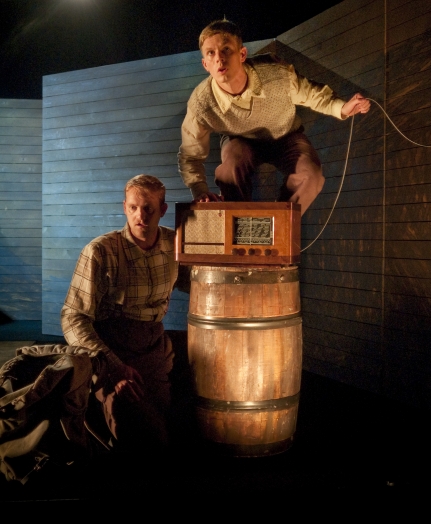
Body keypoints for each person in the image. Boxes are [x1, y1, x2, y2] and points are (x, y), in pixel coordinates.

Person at [178, 19, 371, 215]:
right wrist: (199, 190)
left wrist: (342, 108)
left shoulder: (275, 73)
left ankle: (279, 223)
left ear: (242, 54)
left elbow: (311, 93)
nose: (219, 58)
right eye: (211, 53)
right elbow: (190, 155)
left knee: (311, 175)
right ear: (205, 64)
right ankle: (236, 223)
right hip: (240, 140)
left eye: (226, 49)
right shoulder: (201, 103)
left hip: (286, 135)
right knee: (230, 170)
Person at [61, 174, 180, 453]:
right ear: (125, 207)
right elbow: (73, 318)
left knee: (167, 428)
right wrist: (112, 366)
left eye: (149, 208)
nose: (140, 216)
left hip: (152, 349)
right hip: (110, 348)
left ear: (163, 210)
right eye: (133, 208)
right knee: (136, 431)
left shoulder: (175, 245)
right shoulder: (100, 251)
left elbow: (204, 277)